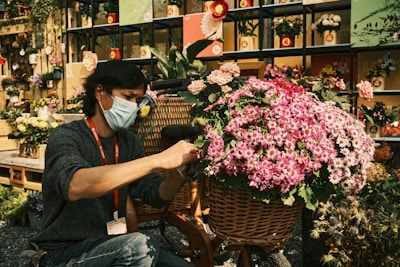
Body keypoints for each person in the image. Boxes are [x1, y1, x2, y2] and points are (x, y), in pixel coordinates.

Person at [30, 60, 198, 267]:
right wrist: (159, 159)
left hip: (112, 244)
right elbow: (74, 185)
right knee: (140, 246)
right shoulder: (66, 136)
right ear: (99, 92)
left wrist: (179, 173)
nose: (134, 106)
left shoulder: (128, 141)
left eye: (138, 100)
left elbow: (155, 195)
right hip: (61, 253)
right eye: (127, 97)